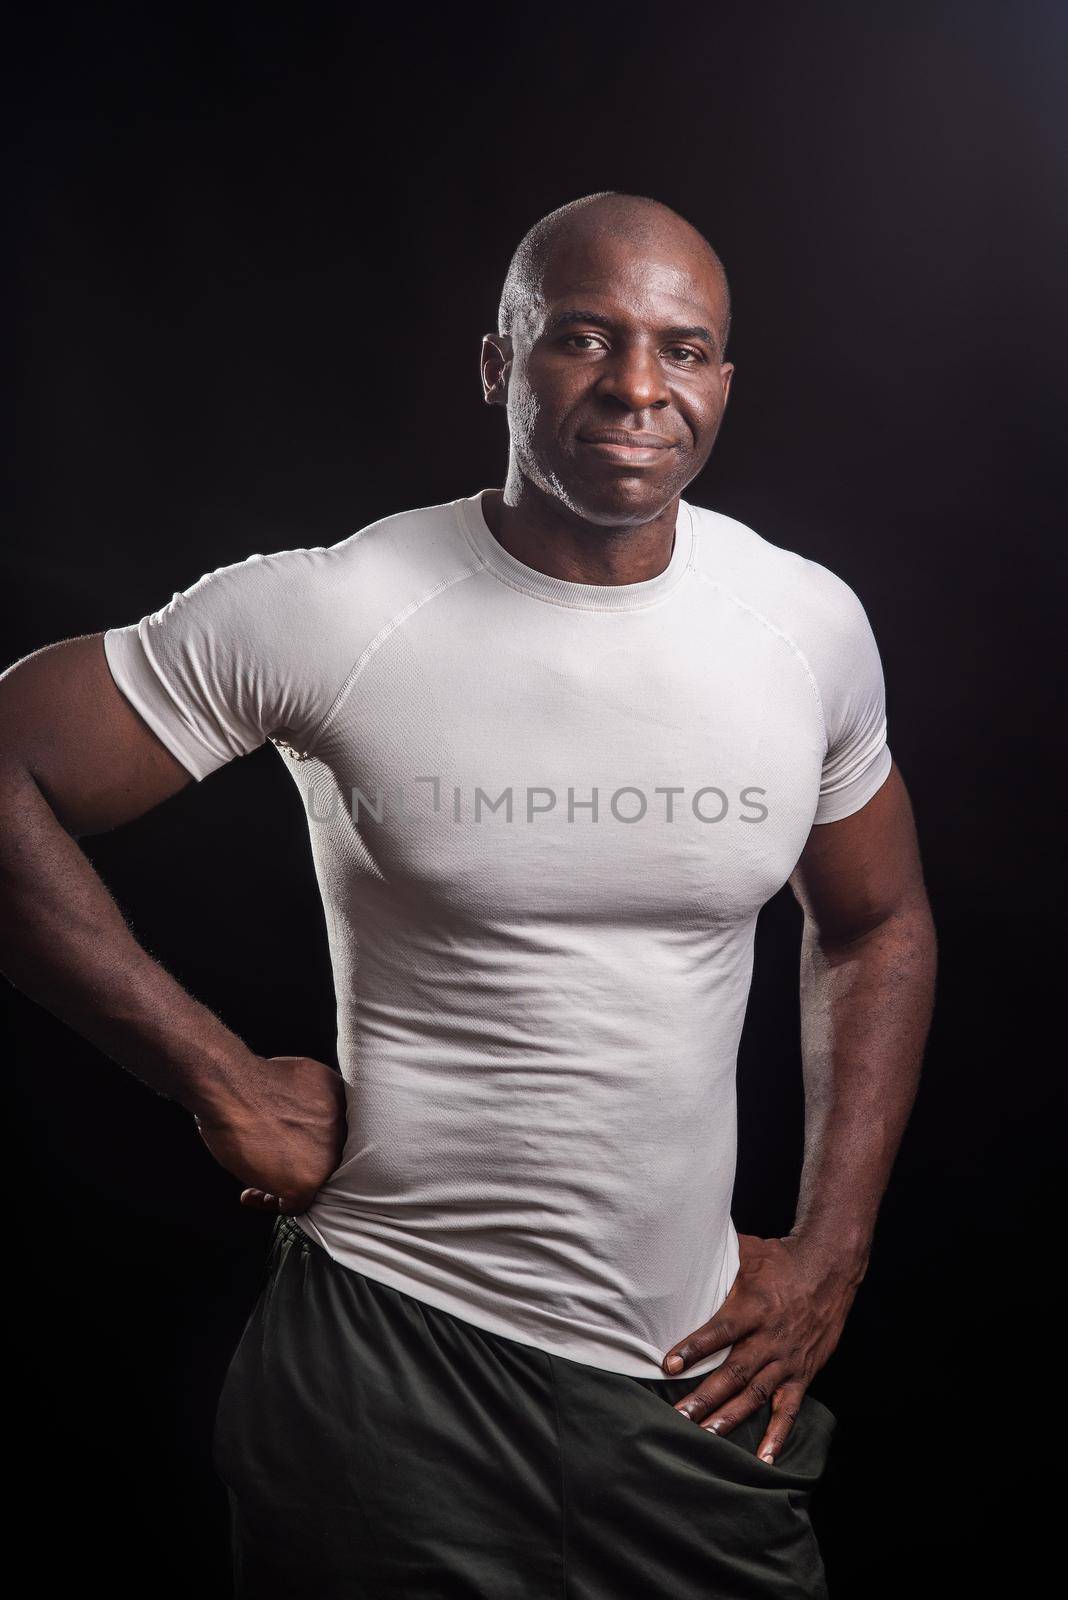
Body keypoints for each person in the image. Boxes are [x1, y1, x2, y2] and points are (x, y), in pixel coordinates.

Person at [0, 190, 936, 1598]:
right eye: (583, 337)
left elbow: (878, 922)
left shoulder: (803, 624)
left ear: (725, 379)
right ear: (499, 362)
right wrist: (218, 1081)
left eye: (683, 350)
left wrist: (833, 1253)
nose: (636, 387)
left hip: (691, 1389)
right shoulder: (343, 609)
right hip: (390, 1369)